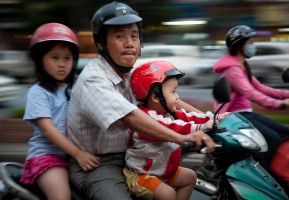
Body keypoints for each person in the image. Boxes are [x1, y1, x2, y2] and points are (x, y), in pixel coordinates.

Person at [67, 2, 216, 200]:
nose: (129, 43)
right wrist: (181, 137)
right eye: (120, 36)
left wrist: (211, 119)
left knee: (190, 179)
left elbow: (169, 98)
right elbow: (131, 118)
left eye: (134, 36)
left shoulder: (130, 73)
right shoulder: (93, 80)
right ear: (101, 43)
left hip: (135, 156)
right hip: (98, 164)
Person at [123, 60, 226, 200]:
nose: (177, 97)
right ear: (155, 97)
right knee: (168, 194)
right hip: (141, 175)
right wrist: (200, 128)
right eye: (173, 92)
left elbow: (192, 117)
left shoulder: (168, 112)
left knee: (190, 177)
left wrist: (216, 118)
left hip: (163, 172)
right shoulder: (146, 118)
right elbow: (175, 127)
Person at [20, 22, 100, 200]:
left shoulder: (77, 85)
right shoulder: (38, 92)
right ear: (40, 60)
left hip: (73, 157)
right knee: (61, 197)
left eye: (67, 58)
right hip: (48, 156)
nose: (62, 64)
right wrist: (78, 154)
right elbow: (48, 129)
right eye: (54, 57)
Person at [213, 25, 289, 171]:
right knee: (273, 140)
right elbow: (252, 94)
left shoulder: (241, 65)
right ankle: (263, 178)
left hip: (246, 114)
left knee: (285, 132)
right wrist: (280, 104)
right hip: (236, 116)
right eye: (251, 43)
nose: (253, 46)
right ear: (239, 46)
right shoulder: (232, 69)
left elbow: (261, 88)